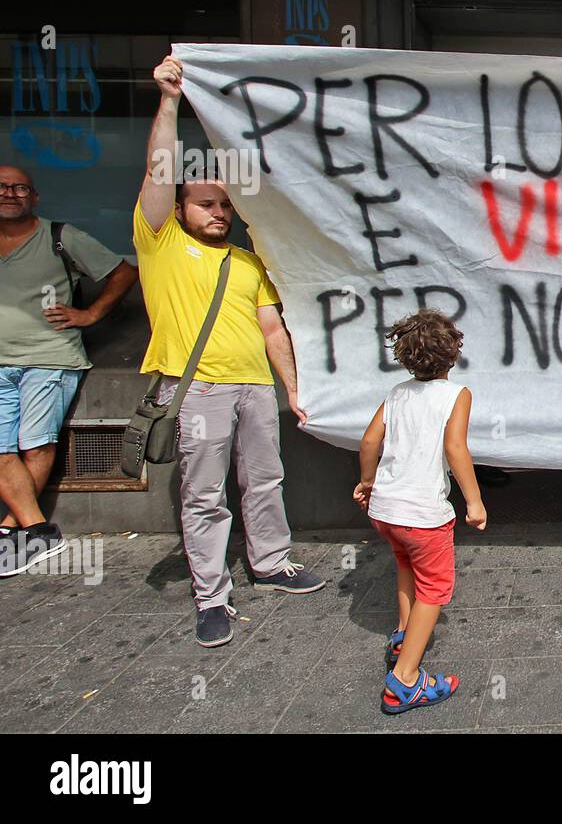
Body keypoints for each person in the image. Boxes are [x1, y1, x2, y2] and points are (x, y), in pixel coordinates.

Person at [137, 55, 324, 647]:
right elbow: (158, 171)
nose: (218, 213)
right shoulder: (160, 242)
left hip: (255, 388)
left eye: (225, 206)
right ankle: (212, 597)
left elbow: (273, 330)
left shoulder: (247, 262)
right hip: (197, 391)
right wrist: (169, 101)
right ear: (181, 209)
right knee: (204, 495)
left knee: (265, 479)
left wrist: (292, 387)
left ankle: (271, 564)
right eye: (205, 204)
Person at [0, 165, 137, 575]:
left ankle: (14, 530)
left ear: (34, 197)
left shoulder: (60, 237)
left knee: (36, 443)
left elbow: (123, 272)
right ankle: (36, 529)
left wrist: (90, 313)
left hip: (50, 357)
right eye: (2, 187)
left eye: (20, 187)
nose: (10, 193)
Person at [353, 309, 487, 714]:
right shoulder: (457, 394)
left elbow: (368, 441)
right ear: (453, 353)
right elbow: (455, 449)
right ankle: (405, 680)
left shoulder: (396, 394)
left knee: (405, 564)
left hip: (386, 511)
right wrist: (474, 501)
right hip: (423, 515)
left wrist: (367, 480)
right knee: (435, 588)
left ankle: (402, 634)